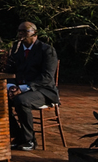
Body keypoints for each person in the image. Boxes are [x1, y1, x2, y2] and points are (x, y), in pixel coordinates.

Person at [4, 22, 60, 151]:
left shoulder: (47, 50)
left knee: (21, 101)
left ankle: (29, 140)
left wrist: (23, 88)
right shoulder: (16, 49)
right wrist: (11, 86)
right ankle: (18, 136)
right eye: (19, 31)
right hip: (21, 89)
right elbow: (9, 71)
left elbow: (46, 77)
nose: (21, 34)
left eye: (25, 31)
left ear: (35, 33)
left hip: (43, 90)